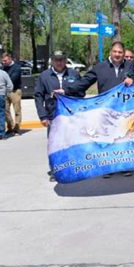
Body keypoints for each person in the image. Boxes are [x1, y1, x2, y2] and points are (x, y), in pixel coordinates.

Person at [67, 42, 134, 178]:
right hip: (105, 110)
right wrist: (66, 91)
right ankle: (107, 167)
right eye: (115, 51)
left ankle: (123, 166)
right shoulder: (100, 67)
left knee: (123, 138)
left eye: (120, 52)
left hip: (125, 109)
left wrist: (133, 80)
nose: (117, 54)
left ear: (123, 54)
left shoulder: (129, 66)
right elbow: (84, 82)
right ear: (110, 52)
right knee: (107, 138)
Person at [35, 51, 83, 181]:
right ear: (52, 61)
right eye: (56, 60)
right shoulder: (44, 76)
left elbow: (81, 92)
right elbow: (38, 96)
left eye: (61, 59)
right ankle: (55, 171)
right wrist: (43, 116)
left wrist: (67, 93)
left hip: (71, 116)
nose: (59, 62)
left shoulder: (74, 74)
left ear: (65, 60)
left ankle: (72, 168)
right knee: (55, 145)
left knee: (72, 142)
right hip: (53, 116)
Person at [0, 52, 22, 136]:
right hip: (5, 91)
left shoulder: (16, 67)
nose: (4, 62)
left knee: (17, 110)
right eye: (3, 61)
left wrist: (3, 81)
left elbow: (13, 79)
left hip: (15, 91)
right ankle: (10, 127)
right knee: (5, 110)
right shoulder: (2, 68)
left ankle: (16, 128)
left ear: (10, 59)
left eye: (5, 60)